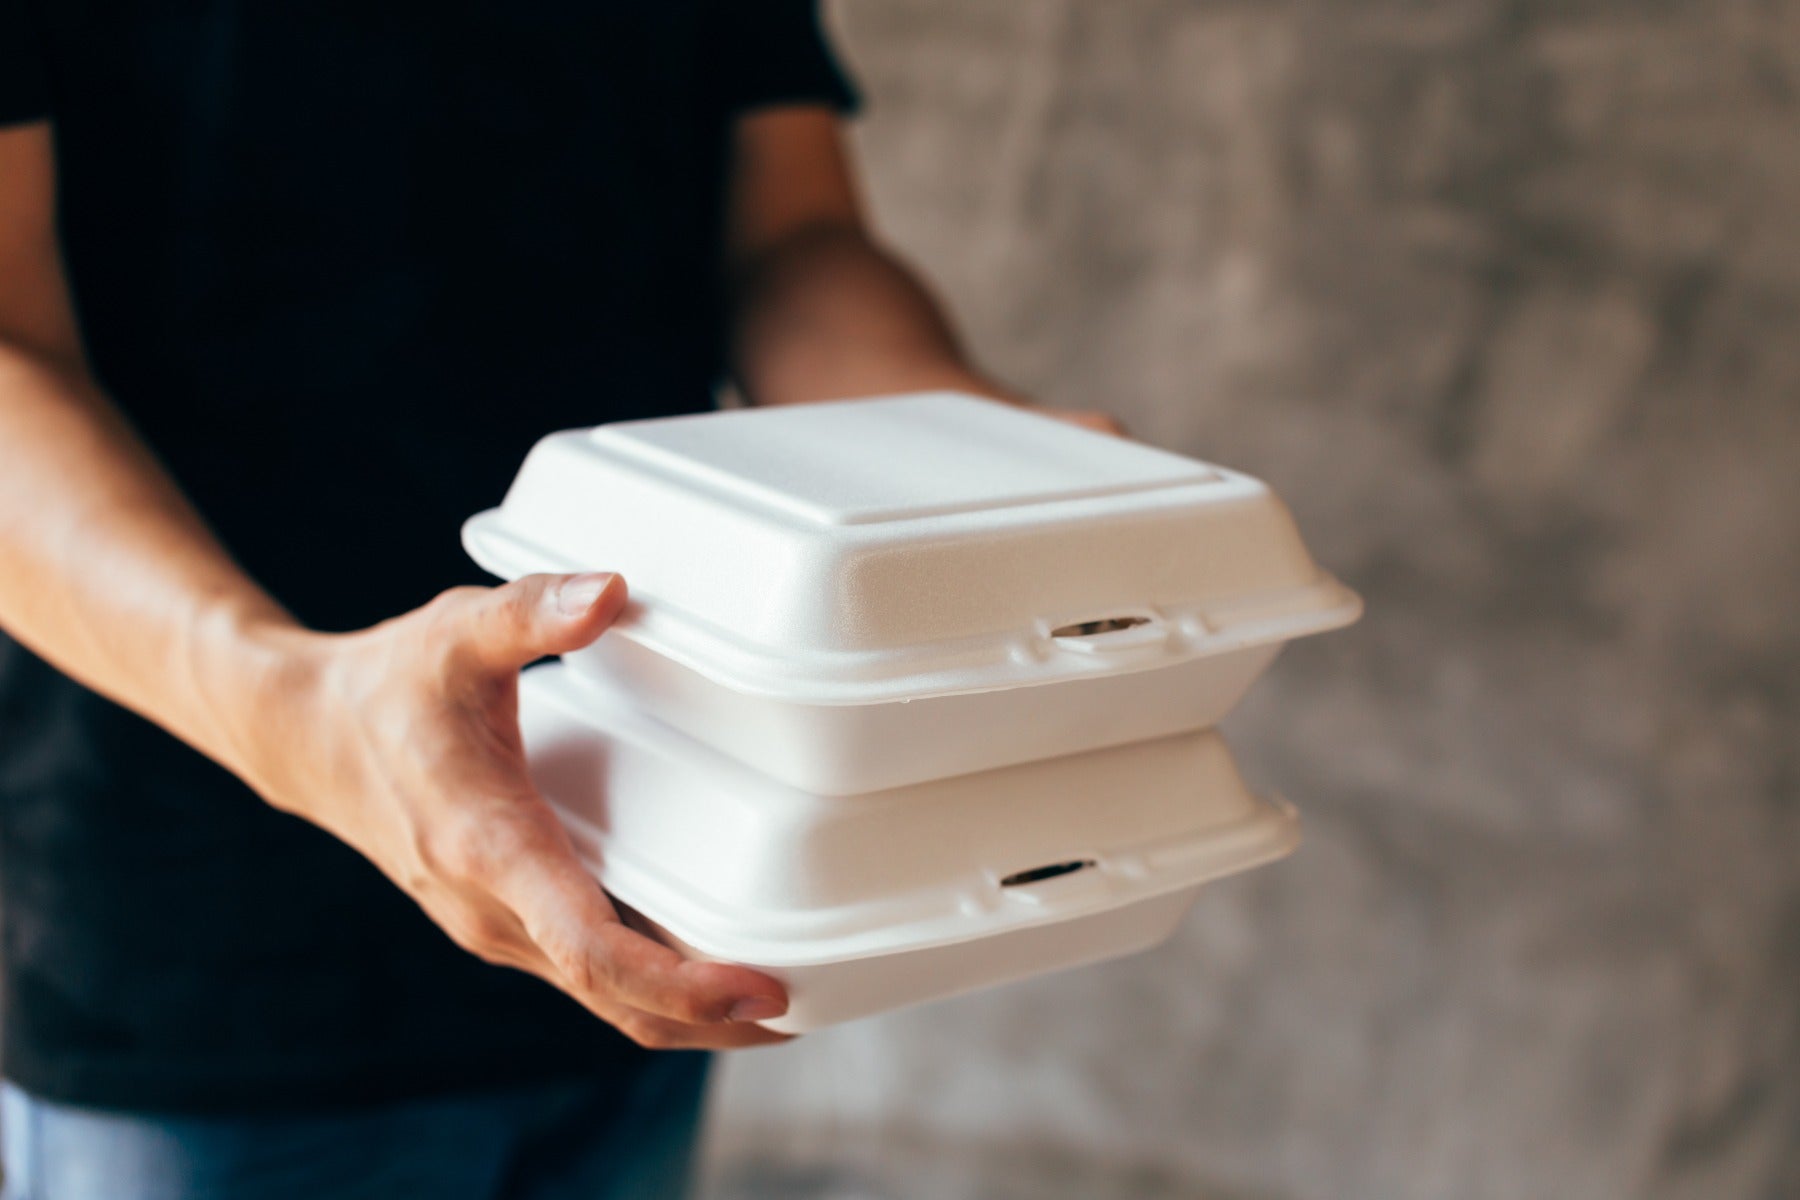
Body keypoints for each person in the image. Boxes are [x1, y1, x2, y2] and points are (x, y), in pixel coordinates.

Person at [0, 1, 1121, 1196]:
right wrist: (292, 711)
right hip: (193, 940)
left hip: (644, 870)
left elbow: (788, 235)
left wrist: (968, 454)